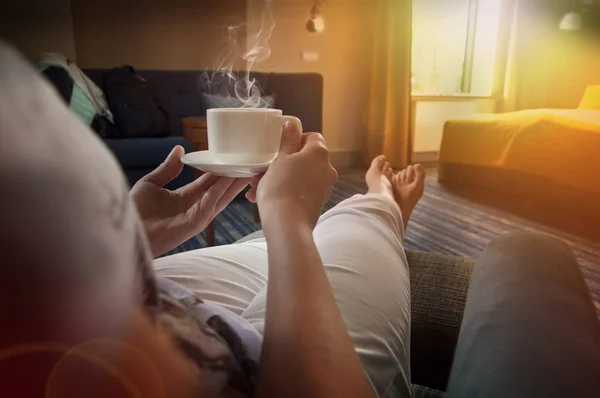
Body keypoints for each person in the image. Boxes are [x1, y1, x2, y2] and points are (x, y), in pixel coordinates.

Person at [1, 41, 599, 398]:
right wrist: (287, 214)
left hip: (147, 293)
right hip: (243, 356)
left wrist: (130, 238)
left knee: (283, 245)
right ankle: (381, 203)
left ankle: (346, 217)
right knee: (340, 230)